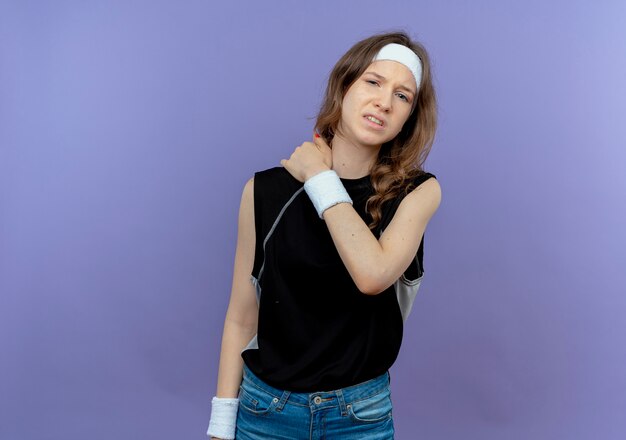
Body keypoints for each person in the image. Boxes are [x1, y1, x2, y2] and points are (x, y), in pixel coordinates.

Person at [207, 30, 442, 440]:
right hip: (265, 413)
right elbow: (241, 317)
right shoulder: (264, 191)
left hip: (360, 417)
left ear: (410, 116)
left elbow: (371, 275)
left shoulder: (418, 192)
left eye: (403, 96)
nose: (384, 102)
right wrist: (222, 424)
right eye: (373, 82)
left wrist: (319, 176)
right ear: (344, 85)